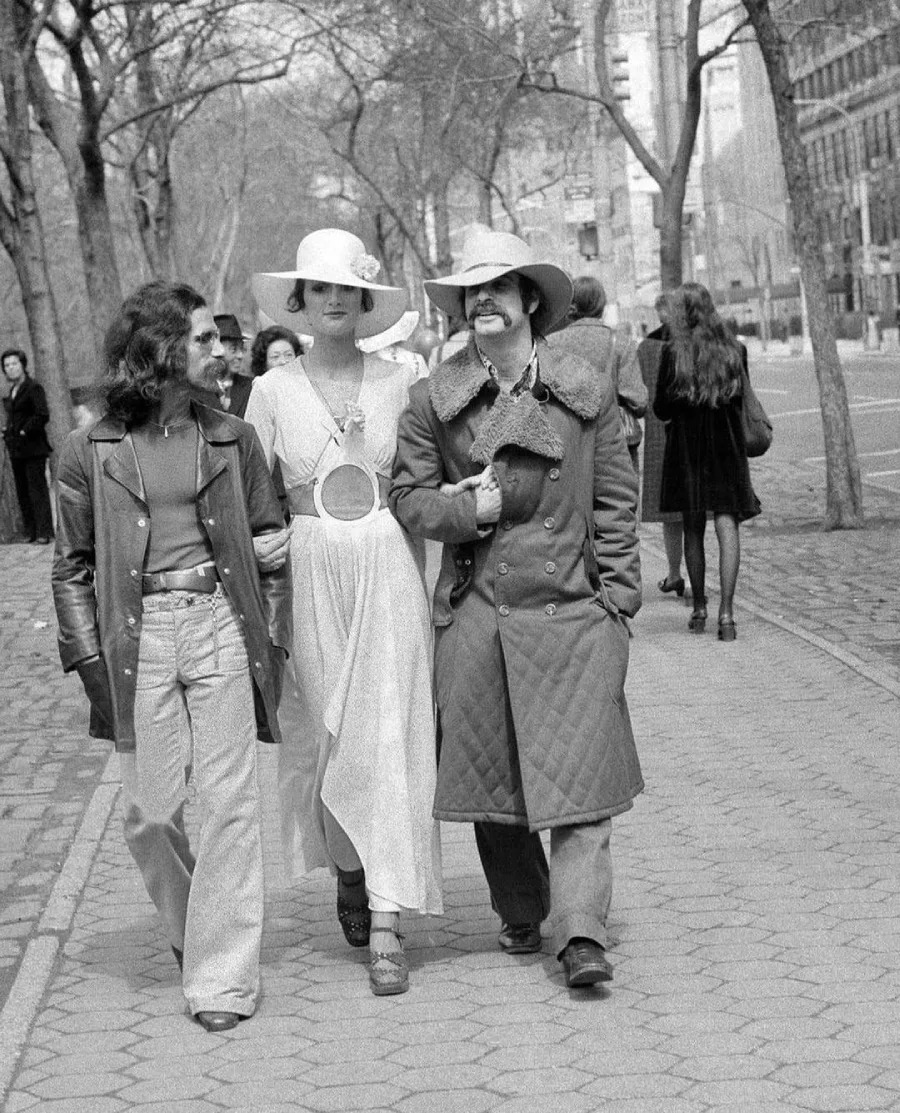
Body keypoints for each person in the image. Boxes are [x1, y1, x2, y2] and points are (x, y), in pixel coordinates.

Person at [390, 230, 643, 989]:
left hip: (574, 612)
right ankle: (524, 907)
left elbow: (616, 502)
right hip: (479, 615)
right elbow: (407, 498)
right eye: (472, 292)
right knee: (492, 782)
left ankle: (580, 933)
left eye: (499, 287)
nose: (484, 302)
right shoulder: (433, 399)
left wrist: (620, 602)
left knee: (582, 783)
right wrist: (469, 513)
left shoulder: (583, 390)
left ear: (530, 298)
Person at [51, 281, 292, 1033]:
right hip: (138, 634)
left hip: (219, 622)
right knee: (151, 814)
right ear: (158, 350)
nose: (221, 350)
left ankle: (222, 978)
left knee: (228, 805)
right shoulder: (87, 450)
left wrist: (271, 629)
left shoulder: (233, 437)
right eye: (203, 339)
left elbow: (271, 542)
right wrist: (90, 661)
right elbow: (71, 568)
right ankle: (201, 934)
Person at [246, 228, 442, 997]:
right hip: (309, 568)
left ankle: (390, 917)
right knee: (329, 738)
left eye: (346, 290)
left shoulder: (401, 381)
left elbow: (421, 483)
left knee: (389, 734)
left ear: (365, 302)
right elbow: (253, 495)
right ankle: (351, 870)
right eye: (318, 289)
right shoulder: (270, 391)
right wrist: (261, 555)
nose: (333, 301)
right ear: (299, 300)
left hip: (386, 568)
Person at [653, 282, 761, 640]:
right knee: (727, 524)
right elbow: (740, 399)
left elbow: (661, 408)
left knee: (693, 527)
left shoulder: (674, 353)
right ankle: (727, 615)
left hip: (686, 450)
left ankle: (699, 609)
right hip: (726, 449)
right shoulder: (736, 350)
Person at [549, 276, 647, 473]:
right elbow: (639, 401)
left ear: (571, 305)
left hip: (567, 443)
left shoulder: (551, 344)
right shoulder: (621, 344)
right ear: (602, 305)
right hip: (615, 444)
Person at [637, 293, 685, 596]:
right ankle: (696, 572)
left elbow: (639, 394)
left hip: (660, 433)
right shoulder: (695, 345)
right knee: (697, 511)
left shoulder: (647, 349)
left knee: (670, 512)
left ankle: (673, 572)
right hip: (693, 433)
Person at [2, 348, 54, 544]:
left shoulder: (33, 388)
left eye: (14, 363)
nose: (10, 368)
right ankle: (31, 532)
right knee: (23, 492)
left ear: (23, 365)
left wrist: (24, 430)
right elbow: (16, 416)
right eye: (6, 365)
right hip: (17, 450)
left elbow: (42, 414)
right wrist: (9, 431)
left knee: (37, 490)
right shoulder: (12, 391)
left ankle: (44, 532)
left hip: (34, 448)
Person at [213, 313, 253, 416]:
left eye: (242, 349)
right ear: (216, 349)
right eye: (234, 349)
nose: (240, 355)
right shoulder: (198, 388)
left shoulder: (251, 387)